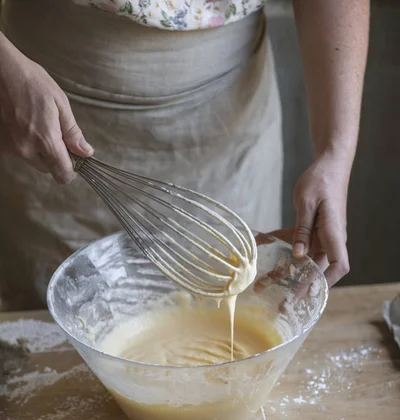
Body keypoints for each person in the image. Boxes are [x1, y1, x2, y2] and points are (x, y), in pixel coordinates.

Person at [0, 0, 369, 311]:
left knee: (238, 302)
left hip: (228, 127)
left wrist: (335, 151)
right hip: (42, 113)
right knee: (53, 337)